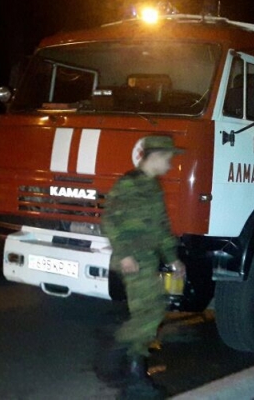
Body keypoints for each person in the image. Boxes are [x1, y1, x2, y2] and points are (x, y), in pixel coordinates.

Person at [101, 135, 186, 397]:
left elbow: (161, 227)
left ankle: (135, 370)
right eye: (168, 159)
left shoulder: (154, 187)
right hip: (133, 261)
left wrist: (173, 258)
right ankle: (116, 359)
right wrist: (125, 254)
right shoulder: (128, 184)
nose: (170, 166)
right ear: (155, 157)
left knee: (151, 311)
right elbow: (109, 220)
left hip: (148, 258)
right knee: (149, 314)